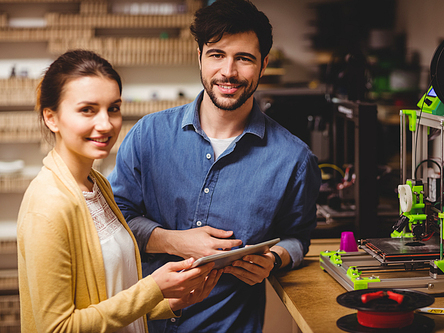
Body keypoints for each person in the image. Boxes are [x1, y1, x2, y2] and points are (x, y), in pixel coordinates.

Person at [108, 0, 322, 331]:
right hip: (142, 323)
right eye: (217, 54)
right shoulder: (147, 136)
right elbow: (114, 222)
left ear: (263, 64)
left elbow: (297, 237)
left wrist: (274, 259)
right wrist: (173, 241)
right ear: (199, 57)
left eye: (244, 58)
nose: (228, 72)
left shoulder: (294, 159)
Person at [17, 50, 222, 333]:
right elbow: (58, 328)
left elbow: (110, 295)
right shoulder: (48, 207)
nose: (106, 124)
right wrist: (152, 288)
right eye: (87, 109)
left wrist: (170, 301)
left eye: (113, 108)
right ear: (51, 118)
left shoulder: (97, 183)